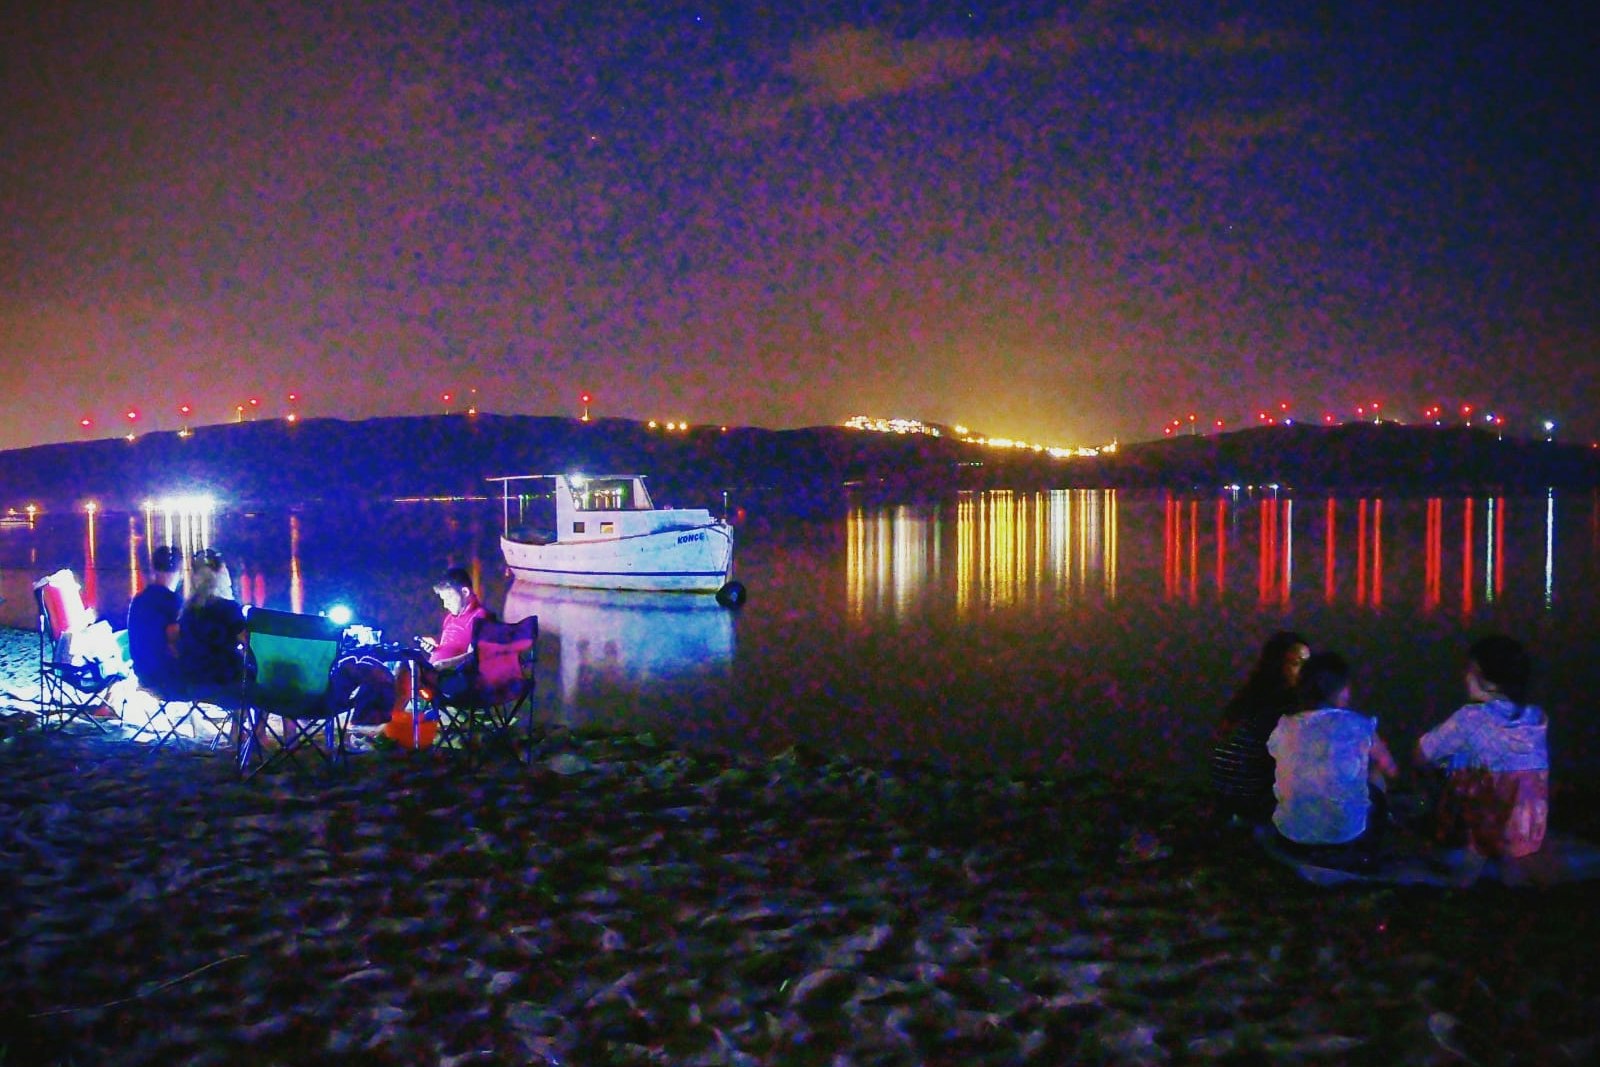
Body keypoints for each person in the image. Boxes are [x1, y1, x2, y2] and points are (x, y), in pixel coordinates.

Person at [1414, 634, 1548, 860]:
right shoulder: (1536, 717)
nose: (1465, 677)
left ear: (1482, 677)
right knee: (1473, 758)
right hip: (1529, 838)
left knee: (1446, 762)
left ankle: (1448, 836)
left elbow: (1421, 755)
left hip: (1486, 840)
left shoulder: (1469, 718)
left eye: (1469, 670)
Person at [1267, 651, 1399, 857]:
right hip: (1346, 840)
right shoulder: (1358, 725)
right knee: (1375, 774)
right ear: (1338, 690)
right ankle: (1372, 844)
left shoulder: (1285, 726)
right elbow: (1391, 769)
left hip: (1290, 838)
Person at [1210, 631, 1311, 823]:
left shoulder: (1248, 697)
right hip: (1255, 798)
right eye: (1297, 664)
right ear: (1277, 666)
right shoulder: (1278, 708)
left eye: (1308, 664)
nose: (1305, 672)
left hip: (1234, 795)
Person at [177, 548, 247, 689]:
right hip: (224, 679)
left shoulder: (187, 610)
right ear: (222, 574)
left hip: (191, 679)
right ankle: (247, 711)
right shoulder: (229, 608)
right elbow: (248, 642)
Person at [127, 545, 183, 694]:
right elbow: (175, 643)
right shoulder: (172, 601)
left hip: (142, 674)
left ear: (153, 568)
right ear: (180, 572)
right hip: (166, 678)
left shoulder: (139, 599)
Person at [418, 567, 488, 671]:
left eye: (448, 598)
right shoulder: (449, 618)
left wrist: (444, 664)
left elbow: (475, 656)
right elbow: (452, 649)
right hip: (436, 675)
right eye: (443, 600)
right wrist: (435, 649)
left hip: (456, 679)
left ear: (465, 592)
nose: (445, 605)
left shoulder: (480, 616)